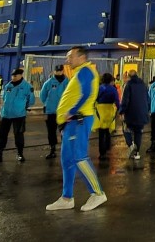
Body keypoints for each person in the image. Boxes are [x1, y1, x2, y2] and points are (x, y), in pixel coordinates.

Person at [46, 46, 107, 212]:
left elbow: (86, 93)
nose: (67, 60)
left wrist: (72, 111)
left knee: (79, 157)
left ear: (81, 57)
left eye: (70, 56)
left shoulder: (85, 71)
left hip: (79, 120)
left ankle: (98, 193)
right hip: (71, 122)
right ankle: (67, 198)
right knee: (67, 159)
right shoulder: (79, 72)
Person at [0, 68, 36, 163]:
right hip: (6, 114)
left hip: (19, 115)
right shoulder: (8, 85)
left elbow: (31, 101)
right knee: (2, 134)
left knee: (18, 135)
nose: (13, 77)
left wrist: (22, 107)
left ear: (21, 75)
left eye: (15, 76)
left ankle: (20, 154)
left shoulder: (27, 87)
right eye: (12, 76)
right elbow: (4, 98)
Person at [40, 65, 69, 159]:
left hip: (64, 112)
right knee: (51, 132)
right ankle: (52, 150)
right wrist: (48, 104)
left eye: (60, 70)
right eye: (57, 71)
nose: (58, 72)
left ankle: (65, 151)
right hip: (51, 111)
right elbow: (42, 95)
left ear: (63, 71)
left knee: (64, 131)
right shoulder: (48, 83)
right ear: (54, 71)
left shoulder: (68, 82)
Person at [119, 70, 149, 160]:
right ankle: (137, 153)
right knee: (138, 133)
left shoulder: (128, 85)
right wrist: (147, 110)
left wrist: (121, 111)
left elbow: (125, 100)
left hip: (131, 113)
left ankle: (131, 144)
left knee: (126, 130)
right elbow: (148, 98)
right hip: (142, 113)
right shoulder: (143, 85)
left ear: (129, 76)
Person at [94, 73, 120, 159]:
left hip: (101, 111)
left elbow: (95, 98)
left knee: (101, 132)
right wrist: (120, 110)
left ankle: (102, 153)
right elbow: (117, 101)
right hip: (109, 110)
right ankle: (108, 147)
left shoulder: (99, 88)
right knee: (108, 130)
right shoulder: (113, 89)